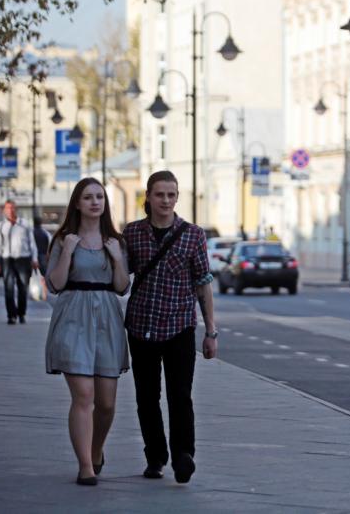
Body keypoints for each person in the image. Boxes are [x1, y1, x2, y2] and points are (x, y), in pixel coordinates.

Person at [123, 170, 218, 484]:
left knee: (180, 395)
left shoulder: (193, 234)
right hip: (141, 328)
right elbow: (121, 280)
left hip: (180, 326)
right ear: (148, 197)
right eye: (160, 194)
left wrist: (211, 332)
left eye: (172, 194)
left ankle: (182, 456)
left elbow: (203, 285)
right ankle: (155, 456)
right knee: (146, 396)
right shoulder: (133, 233)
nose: (166, 200)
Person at [44, 177, 130, 486]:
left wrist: (118, 259)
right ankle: (85, 467)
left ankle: (95, 451)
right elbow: (54, 284)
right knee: (84, 395)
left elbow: (121, 287)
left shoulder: (116, 242)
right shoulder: (63, 239)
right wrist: (68, 251)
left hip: (107, 317)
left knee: (106, 403)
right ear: (77, 203)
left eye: (100, 197)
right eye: (88, 197)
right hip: (73, 316)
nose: (95, 202)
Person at [0, 201, 39, 324]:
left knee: (23, 288)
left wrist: (34, 259)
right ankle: (11, 316)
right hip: (7, 259)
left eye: (12, 208)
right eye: (8, 208)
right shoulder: (1, 226)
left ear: (16, 209)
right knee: (8, 288)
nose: (10, 211)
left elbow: (32, 242)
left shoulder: (25, 224)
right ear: (4, 210)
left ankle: (22, 314)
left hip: (23, 259)